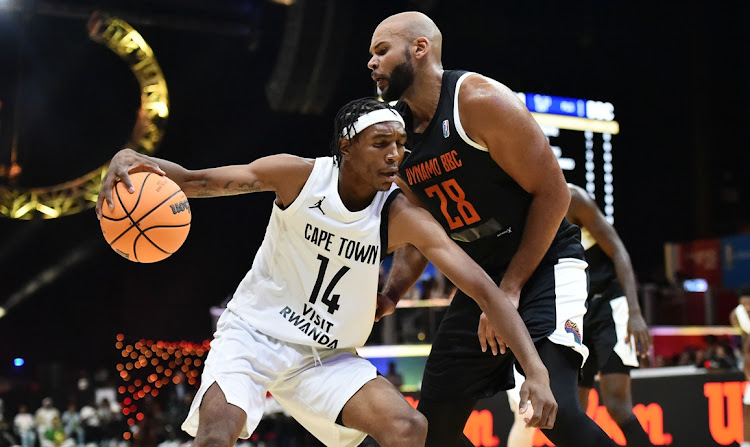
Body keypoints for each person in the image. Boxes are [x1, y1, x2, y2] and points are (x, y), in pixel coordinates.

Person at [95, 97, 558, 447]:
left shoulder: (401, 215)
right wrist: (129, 158)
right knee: (217, 436)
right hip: (253, 336)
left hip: (328, 355)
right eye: (381, 144)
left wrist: (534, 371)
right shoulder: (297, 177)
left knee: (409, 427)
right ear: (346, 146)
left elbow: (483, 287)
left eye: (400, 144)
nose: (395, 155)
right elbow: (195, 182)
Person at [368, 12, 617, 446]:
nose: (371, 63)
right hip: (481, 282)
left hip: (542, 268)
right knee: (432, 430)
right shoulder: (398, 134)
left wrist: (512, 286)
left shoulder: (478, 100)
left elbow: (554, 196)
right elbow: (422, 231)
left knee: (555, 410)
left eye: (381, 50)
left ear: (420, 48)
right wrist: (392, 293)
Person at [505, 183, 654, 447]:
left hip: (608, 307)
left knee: (618, 405)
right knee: (572, 412)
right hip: (573, 310)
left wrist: (635, 311)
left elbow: (618, 249)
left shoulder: (573, 198)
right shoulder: (517, 207)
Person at [729, 289, 750, 447]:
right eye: (744, 304)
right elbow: (735, 317)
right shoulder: (739, 315)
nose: (747, 307)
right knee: (748, 408)